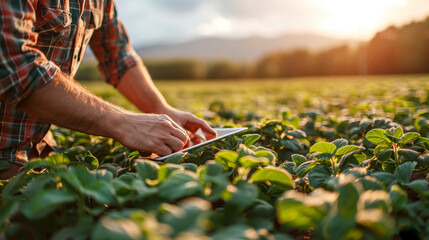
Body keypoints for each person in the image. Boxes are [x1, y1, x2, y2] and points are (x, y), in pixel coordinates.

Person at [0, 0, 217, 179]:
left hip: (38, 150)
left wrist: (162, 109)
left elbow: (118, 55)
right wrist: (122, 122)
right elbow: (14, 66)